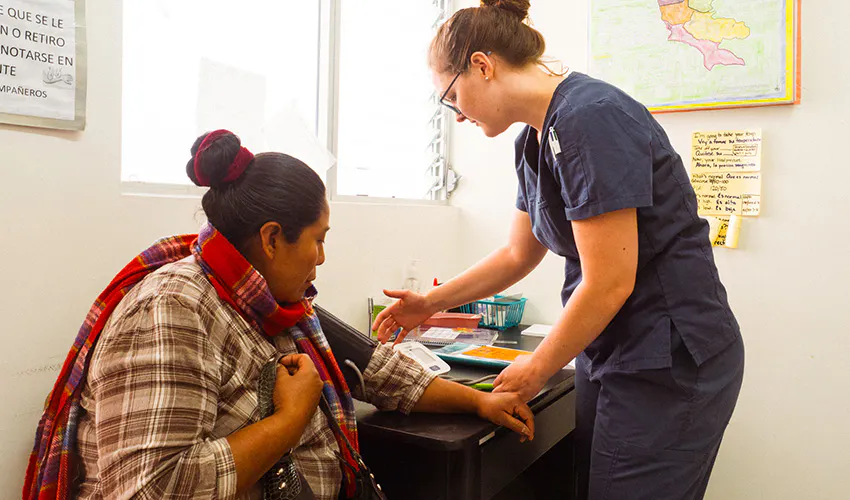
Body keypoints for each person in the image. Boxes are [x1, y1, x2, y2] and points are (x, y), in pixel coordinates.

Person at [23, 130, 535, 500]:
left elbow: (377, 370)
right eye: (317, 240)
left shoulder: (271, 304)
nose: (322, 258)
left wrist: (478, 402)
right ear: (271, 239)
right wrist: (289, 420)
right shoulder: (173, 309)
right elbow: (152, 489)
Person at [372, 1, 745, 499]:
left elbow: (610, 281)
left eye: (452, 96)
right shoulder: (532, 140)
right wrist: (430, 304)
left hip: (669, 356)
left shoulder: (591, 118)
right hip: (611, 350)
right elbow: (517, 254)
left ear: (482, 66)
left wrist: (537, 367)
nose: (457, 115)